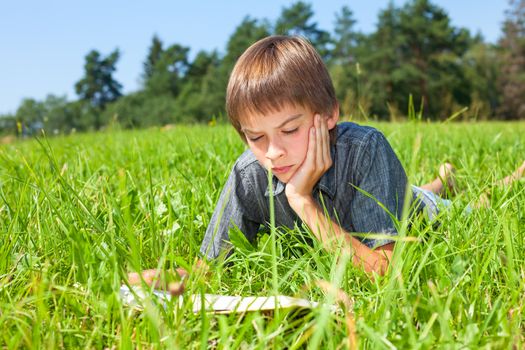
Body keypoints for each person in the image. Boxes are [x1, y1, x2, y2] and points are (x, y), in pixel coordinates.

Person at [127, 36, 525, 289]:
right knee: (423, 188)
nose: (273, 153)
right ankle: (440, 178)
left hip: (413, 211)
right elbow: (207, 268)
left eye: (290, 130)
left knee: (470, 210)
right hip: (383, 195)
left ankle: (475, 182)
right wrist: (169, 280)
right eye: (256, 137)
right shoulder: (249, 175)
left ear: (330, 114)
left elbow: (384, 273)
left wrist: (302, 202)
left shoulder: (366, 148)